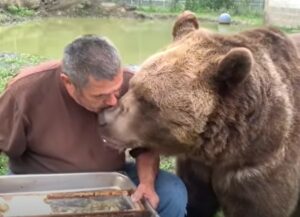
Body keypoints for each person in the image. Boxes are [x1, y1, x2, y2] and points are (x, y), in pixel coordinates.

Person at [0, 35, 187, 217]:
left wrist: (147, 183)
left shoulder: (132, 84)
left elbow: (146, 146)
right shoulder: (25, 91)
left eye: (116, 90)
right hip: (39, 181)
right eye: (100, 96)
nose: (114, 102)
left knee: (172, 192)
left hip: (111, 178)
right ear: (68, 83)